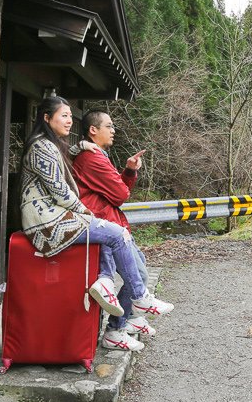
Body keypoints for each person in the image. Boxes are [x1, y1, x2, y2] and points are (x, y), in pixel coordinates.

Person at [19, 96, 171, 352]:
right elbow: (61, 191)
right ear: (46, 118)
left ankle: (127, 303)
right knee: (117, 237)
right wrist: (86, 214)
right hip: (49, 224)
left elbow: (66, 157)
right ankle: (137, 301)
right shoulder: (41, 148)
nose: (69, 120)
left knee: (122, 245)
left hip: (58, 218)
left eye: (70, 115)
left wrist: (81, 147)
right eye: (63, 115)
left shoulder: (51, 145)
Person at [73, 109, 165, 350]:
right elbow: (120, 194)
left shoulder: (98, 155)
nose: (113, 130)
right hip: (106, 224)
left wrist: (129, 170)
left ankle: (129, 320)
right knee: (138, 275)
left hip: (113, 222)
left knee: (140, 267)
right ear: (93, 130)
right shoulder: (91, 158)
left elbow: (117, 191)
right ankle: (116, 330)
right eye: (109, 126)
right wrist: (124, 180)